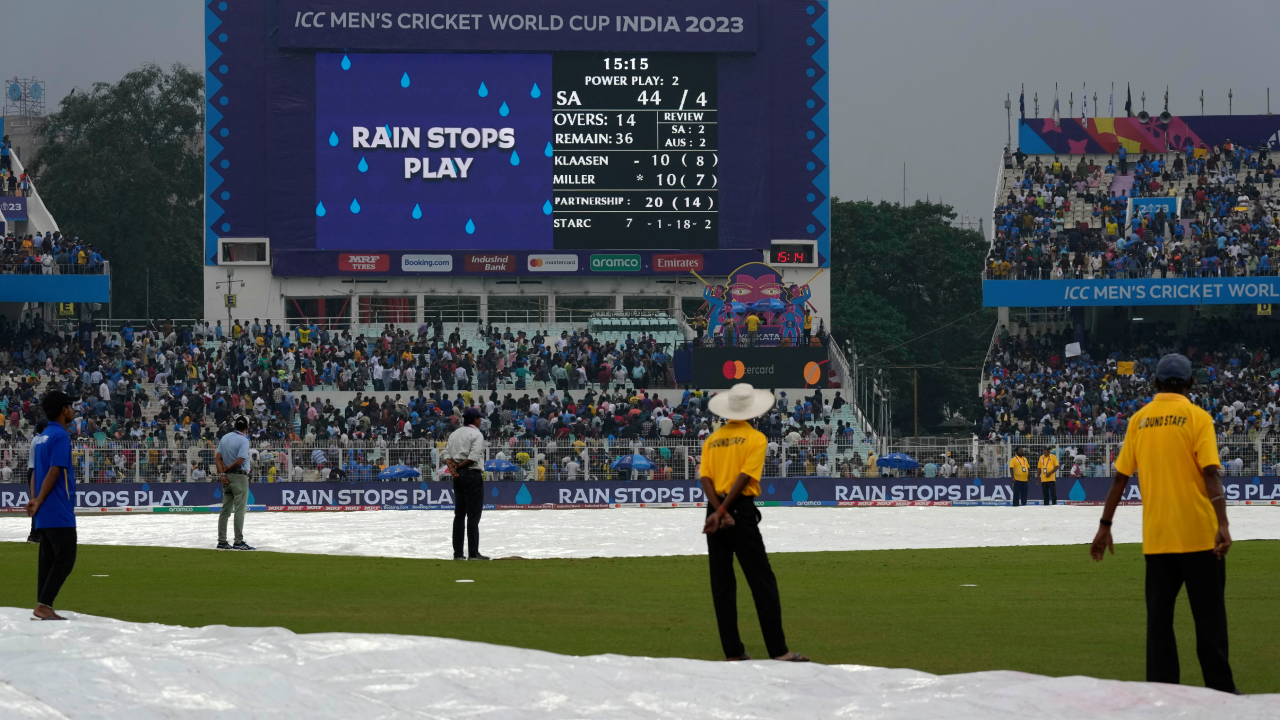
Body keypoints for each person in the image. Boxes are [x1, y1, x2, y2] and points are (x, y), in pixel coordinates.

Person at [1091, 354, 1237, 694]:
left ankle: (1162, 696)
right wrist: (1224, 523)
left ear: (1155, 383)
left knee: (1159, 624)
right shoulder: (1197, 418)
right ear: (1190, 384)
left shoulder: (1139, 421)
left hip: (1157, 540)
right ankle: (1222, 694)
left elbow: (1119, 480)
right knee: (1210, 621)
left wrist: (1104, 525)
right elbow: (1211, 474)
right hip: (1200, 537)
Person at [700, 383, 807, 662]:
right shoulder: (756, 439)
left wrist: (716, 510)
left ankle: (733, 652)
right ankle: (778, 650)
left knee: (722, 583)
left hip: (714, 511)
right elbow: (744, 477)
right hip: (739, 511)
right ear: (752, 411)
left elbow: (705, 478)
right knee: (761, 579)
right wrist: (726, 510)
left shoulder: (712, 440)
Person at [25, 391, 78, 620]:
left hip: (44, 511)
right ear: (63, 410)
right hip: (57, 508)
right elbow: (55, 470)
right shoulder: (60, 437)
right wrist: (39, 499)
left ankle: (42, 604)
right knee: (66, 558)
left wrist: (35, 499)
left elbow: (36, 472)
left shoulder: (42, 437)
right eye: (70, 405)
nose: (72, 409)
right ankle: (44, 605)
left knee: (46, 559)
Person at [445, 407, 488, 560]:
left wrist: (453, 469)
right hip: (471, 474)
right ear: (475, 420)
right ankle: (473, 553)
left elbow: (446, 454)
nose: (481, 421)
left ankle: (458, 553)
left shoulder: (454, 434)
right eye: (479, 418)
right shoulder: (477, 434)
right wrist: (458, 466)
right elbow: (474, 456)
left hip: (457, 476)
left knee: (459, 515)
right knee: (473, 516)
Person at [214, 416, 255, 550]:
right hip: (239, 477)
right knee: (239, 510)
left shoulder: (225, 438)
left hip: (227, 478)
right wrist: (228, 468)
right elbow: (240, 460)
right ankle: (238, 541)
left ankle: (222, 541)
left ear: (235, 425)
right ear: (246, 427)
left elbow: (218, 459)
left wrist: (223, 473)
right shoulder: (243, 440)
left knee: (225, 510)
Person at [26, 420, 48, 544]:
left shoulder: (36, 439)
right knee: (38, 503)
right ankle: (35, 534)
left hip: (33, 470)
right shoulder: (41, 441)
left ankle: (36, 534)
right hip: (37, 472)